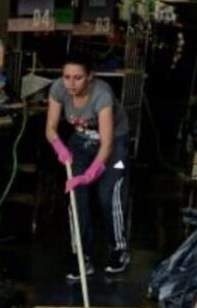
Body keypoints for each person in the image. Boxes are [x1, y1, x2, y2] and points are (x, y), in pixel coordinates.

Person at [45, 53, 131, 280]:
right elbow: (50, 128)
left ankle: (118, 250)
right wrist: (60, 148)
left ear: (90, 77)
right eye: (67, 77)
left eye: (78, 78)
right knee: (76, 195)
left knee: (109, 194)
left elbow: (107, 143)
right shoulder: (58, 89)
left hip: (114, 145)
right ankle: (81, 255)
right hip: (81, 142)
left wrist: (91, 173)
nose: (71, 84)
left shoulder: (102, 95)